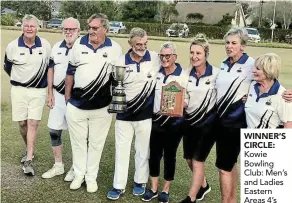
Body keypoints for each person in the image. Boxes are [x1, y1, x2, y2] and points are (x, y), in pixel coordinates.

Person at [215, 28, 292, 203]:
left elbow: (288, 125)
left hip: (263, 141)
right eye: (227, 42)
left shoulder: (281, 95)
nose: (229, 46)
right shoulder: (250, 87)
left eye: (234, 43)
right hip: (241, 135)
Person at [65, 13, 122, 193]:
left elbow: (117, 79)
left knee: (97, 144)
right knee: (78, 143)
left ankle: (91, 178)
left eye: (95, 28)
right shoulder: (78, 44)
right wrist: (67, 98)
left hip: (102, 108)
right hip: (76, 105)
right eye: (89, 27)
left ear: (105, 29)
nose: (91, 31)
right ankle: (79, 175)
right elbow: (70, 72)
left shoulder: (115, 48)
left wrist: (116, 104)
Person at [107, 27, 160, 200]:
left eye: (145, 43)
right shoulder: (120, 61)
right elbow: (114, 87)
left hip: (145, 115)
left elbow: (171, 67)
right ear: (130, 43)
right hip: (124, 116)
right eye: (138, 44)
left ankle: (140, 182)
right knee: (122, 151)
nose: (142, 47)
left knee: (142, 151)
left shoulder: (154, 57)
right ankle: (118, 185)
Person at [4, 14, 51, 176]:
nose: (29, 28)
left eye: (32, 26)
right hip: (18, 91)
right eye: (26, 26)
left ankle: (29, 159)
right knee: (23, 123)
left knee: (32, 123)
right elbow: (8, 67)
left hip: (38, 90)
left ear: (37, 27)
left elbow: (49, 66)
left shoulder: (45, 45)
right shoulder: (12, 46)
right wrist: (22, 78)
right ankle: (29, 148)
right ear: (22, 27)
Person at [141, 42, 188, 203]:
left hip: (175, 122)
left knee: (170, 156)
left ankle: (165, 189)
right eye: (162, 55)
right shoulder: (156, 72)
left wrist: (183, 102)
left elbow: (188, 98)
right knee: (154, 154)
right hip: (156, 120)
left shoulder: (184, 75)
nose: (164, 58)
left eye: (168, 56)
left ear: (175, 57)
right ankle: (153, 188)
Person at [179, 34, 219, 203]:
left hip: (209, 125)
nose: (194, 57)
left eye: (198, 53)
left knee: (197, 161)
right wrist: (184, 103)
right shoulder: (186, 73)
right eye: (192, 52)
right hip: (189, 123)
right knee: (189, 159)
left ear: (206, 54)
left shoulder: (217, 74)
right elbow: (183, 95)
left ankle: (191, 198)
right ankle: (204, 185)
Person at [41, 17, 80, 181]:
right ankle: (58, 165)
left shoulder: (82, 47)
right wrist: (49, 93)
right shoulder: (56, 47)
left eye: (72, 29)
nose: (68, 32)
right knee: (54, 131)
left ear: (78, 31)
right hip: (57, 94)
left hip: (76, 98)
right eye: (65, 29)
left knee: (77, 135)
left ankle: (76, 168)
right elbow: (51, 70)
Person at [245, 53, 292, 128]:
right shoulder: (252, 86)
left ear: (268, 71)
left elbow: (288, 128)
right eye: (254, 67)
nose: (253, 70)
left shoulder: (283, 96)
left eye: (257, 68)